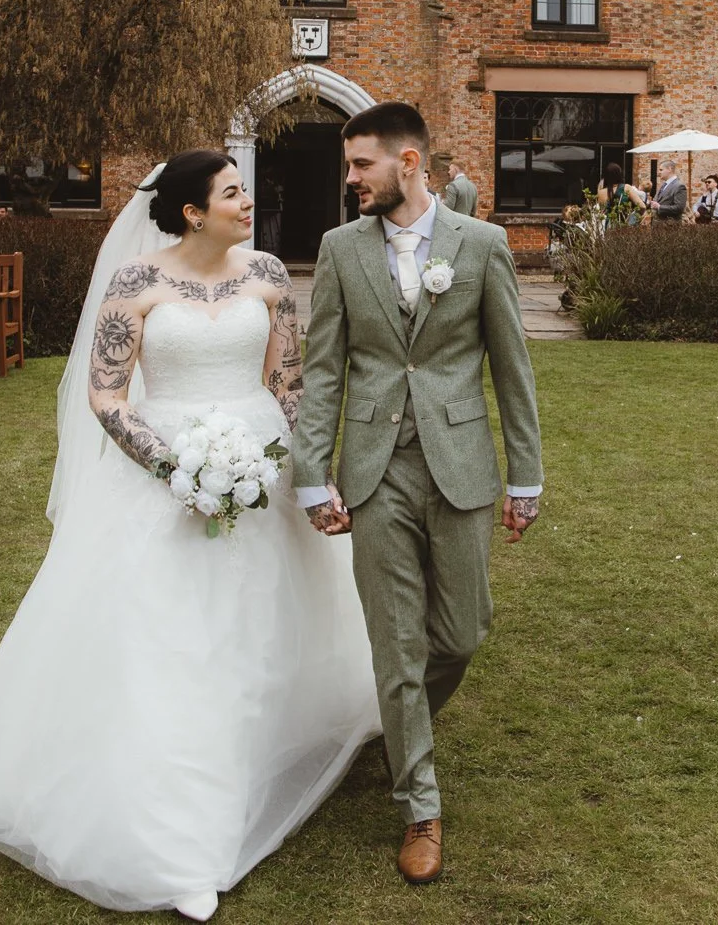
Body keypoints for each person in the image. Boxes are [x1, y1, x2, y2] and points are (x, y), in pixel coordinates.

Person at [0, 151, 379, 921]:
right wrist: (178, 467)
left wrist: (294, 466)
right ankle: (177, 826)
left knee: (267, 616)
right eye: (231, 192)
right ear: (192, 211)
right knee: (168, 636)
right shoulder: (137, 282)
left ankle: (264, 737)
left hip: (261, 462)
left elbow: (291, 384)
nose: (247, 200)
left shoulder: (270, 275)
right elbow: (108, 394)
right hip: (167, 470)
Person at [295, 101, 544, 887]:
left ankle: (399, 728)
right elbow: (325, 369)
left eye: (360, 164)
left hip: (462, 460)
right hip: (373, 469)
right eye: (348, 166)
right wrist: (313, 473)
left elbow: (511, 367)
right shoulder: (339, 250)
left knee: (463, 632)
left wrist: (525, 475)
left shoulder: (482, 246)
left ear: (408, 162)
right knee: (396, 642)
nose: (350, 179)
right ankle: (421, 808)